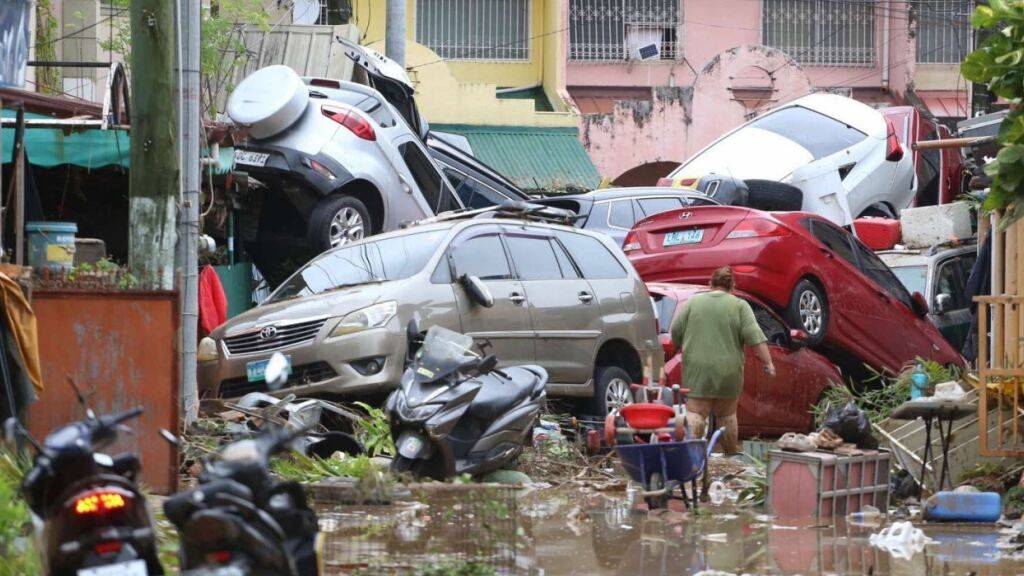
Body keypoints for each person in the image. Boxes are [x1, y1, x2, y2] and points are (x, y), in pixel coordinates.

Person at [670, 266, 775, 454]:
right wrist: (768, 363)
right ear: (732, 286)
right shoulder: (739, 305)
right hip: (729, 371)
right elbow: (755, 337)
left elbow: (676, 331)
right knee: (727, 415)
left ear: (710, 283)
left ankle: (691, 457)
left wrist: (678, 345)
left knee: (696, 413)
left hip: (697, 370)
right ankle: (730, 456)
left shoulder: (693, 302)